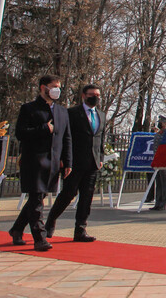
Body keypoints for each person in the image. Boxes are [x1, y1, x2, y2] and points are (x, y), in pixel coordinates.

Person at [9, 74, 72, 252]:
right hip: (34, 161)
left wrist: (67, 161)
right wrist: (44, 129)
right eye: (53, 86)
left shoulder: (62, 112)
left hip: (53, 162)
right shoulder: (29, 109)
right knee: (37, 200)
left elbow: (66, 138)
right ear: (43, 88)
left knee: (37, 199)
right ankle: (39, 238)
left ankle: (16, 229)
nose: (56, 90)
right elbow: (20, 133)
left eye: (59, 86)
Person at [44, 84, 105, 242]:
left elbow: (101, 138)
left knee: (87, 197)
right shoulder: (71, 113)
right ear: (84, 96)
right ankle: (50, 221)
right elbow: (63, 137)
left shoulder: (101, 115)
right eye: (92, 94)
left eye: (98, 95)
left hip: (92, 162)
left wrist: (101, 158)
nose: (96, 97)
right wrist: (64, 158)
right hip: (74, 161)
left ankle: (80, 229)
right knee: (68, 193)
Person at [150, 116, 166, 211]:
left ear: (165, 123)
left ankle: (163, 203)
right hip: (157, 159)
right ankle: (158, 203)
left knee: (164, 182)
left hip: (164, 160)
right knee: (158, 182)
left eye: (161, 122)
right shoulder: (159, 133)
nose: (160, 123)